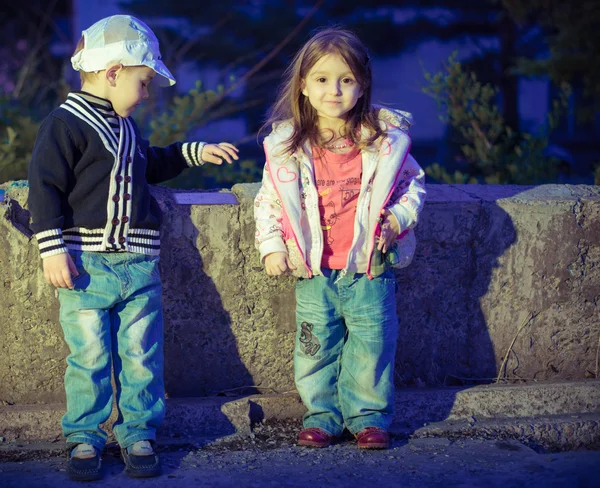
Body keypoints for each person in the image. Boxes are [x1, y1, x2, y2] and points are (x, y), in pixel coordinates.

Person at [27, 15, 238, 481]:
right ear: (114, 72)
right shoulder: (63, 125)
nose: (146, 94)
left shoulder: (126, 128)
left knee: (142, 353)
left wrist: (192, 152)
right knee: (89, 357)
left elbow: (150, 164)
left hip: (139, 264)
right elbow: (44, 188)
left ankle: (138, 430)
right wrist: (51, 248)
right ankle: (85, 436)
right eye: (143, 82)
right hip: (85, 264)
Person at [254, 27, 426, 450]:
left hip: (369, 265)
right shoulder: (286, 146)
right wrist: (272, 246)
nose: (334, 90)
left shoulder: (384, 142)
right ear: (304, 86)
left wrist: (397, 222)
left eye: (346, 80)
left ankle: (367, 417)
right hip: (313, 270)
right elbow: (269, 202)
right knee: (315, 348)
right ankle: (323, 415)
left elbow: (414, 188)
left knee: (372, 345)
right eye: (323, 79)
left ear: (362, 84)